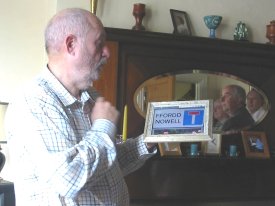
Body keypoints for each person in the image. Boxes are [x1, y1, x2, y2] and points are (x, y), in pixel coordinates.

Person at [5, 8, 156, 206]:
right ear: (71, 45)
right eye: (99, 43)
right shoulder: (34, 102)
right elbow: (69, 179)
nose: (107, 52)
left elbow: (105, 163)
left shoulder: (91, 97)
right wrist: (103, 126)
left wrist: (150, 140)